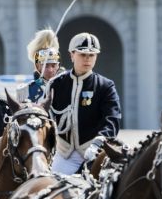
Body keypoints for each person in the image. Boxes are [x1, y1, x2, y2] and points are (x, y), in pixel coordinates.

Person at [48, 32, 121, 174]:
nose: (87, 59)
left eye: (92, 55)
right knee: (51, 189)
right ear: (71, 55)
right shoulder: (56, 84)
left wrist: (98, 143)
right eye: (82, 54)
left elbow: (112, 119)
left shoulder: (105, 86)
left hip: (96, 153)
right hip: (64, 154)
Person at [25, 28, 62, 103]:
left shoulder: (66, 85)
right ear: (37, 66)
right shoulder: (28, 90)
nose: (50, 70)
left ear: (58, 66)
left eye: (53, 65)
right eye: (46, 66)